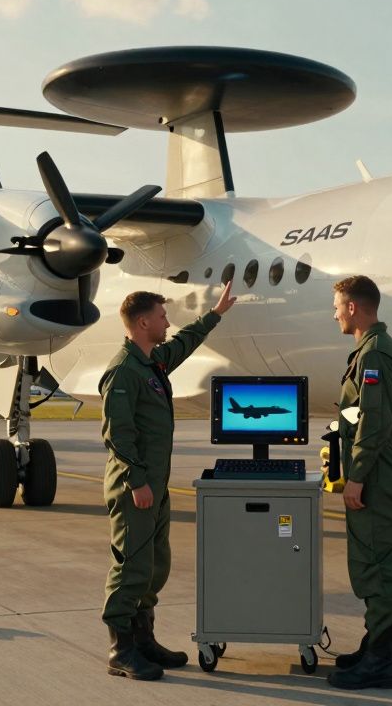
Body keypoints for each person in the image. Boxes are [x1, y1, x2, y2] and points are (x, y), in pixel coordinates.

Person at [100, 281, 236, 680]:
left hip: (154, 485)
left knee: (155, 565)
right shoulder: (124, 371)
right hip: (135, 486)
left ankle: (144, 640)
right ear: (143, 322)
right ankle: (121, 650)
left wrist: (216, 314)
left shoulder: (151, 363)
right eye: (162, 316)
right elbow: (117, 435)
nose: (167, 322)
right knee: (131, 567)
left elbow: (184, 343)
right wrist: (138, 481)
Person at [328, 275, 392, 690]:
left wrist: (356, 477)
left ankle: (382, 659)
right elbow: (361, 413)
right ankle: (378, 644)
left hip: (375, 472)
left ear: (355, 308)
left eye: (338, 306)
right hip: (376, 465)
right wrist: (337, 430)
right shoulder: (371, 350)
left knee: (377, 564)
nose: (336, 313)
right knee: (373, 558)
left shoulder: (374, 354)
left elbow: (375, 423)